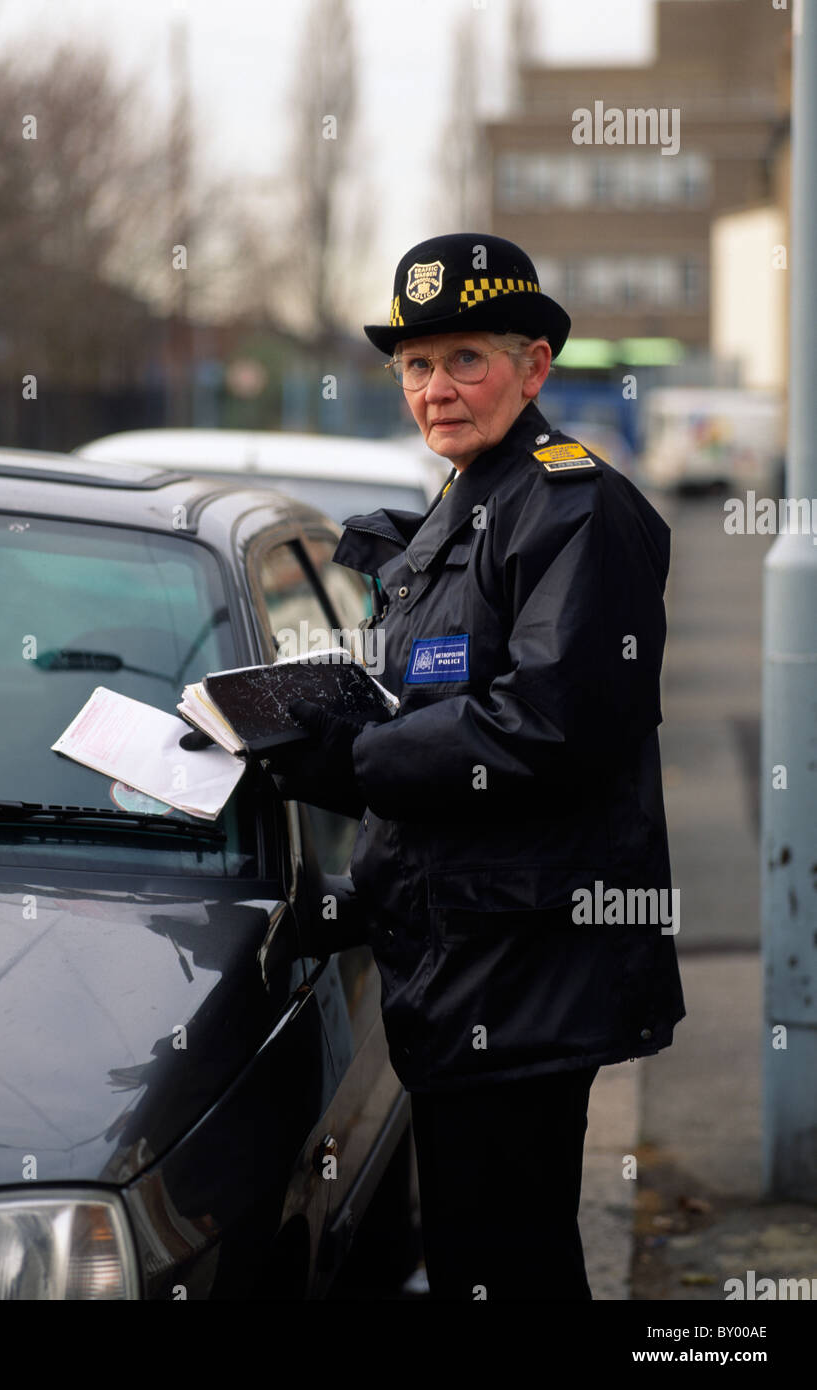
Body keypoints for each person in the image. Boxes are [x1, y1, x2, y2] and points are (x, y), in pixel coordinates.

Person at [264, 232, 686, 1301]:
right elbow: (439, 730)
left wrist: (355, 759)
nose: (435, 389)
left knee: (505, 1261)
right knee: (478, 1257)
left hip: (527, 969)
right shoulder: (467, 505)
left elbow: (543, 727)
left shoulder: (571, 508)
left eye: (464, 359)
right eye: (414, 365)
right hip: (461, 959)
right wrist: (357, 879)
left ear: (532, 364)